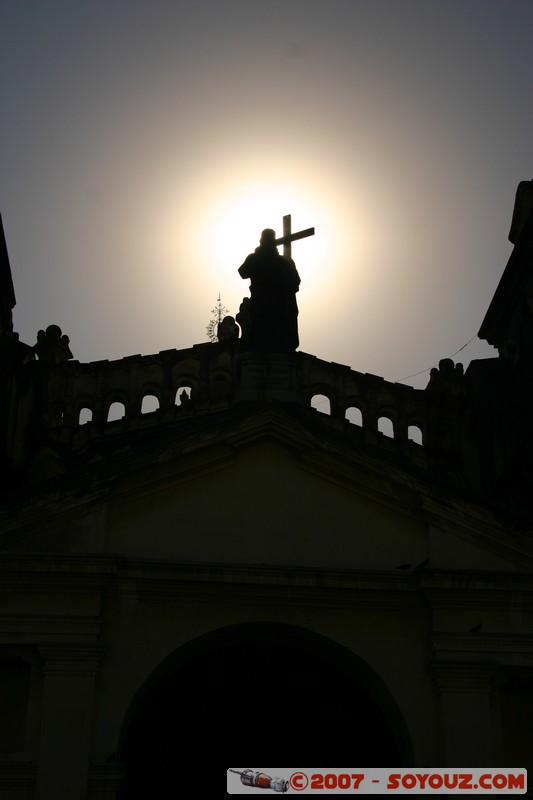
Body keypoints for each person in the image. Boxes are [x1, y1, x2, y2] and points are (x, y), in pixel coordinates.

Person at [238, 229, 301, 352]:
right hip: (269, 305)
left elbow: (295, 283)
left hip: (272, 305)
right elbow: (243, 272)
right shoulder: (285, 262)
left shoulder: (258, 258)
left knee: (269, 333)